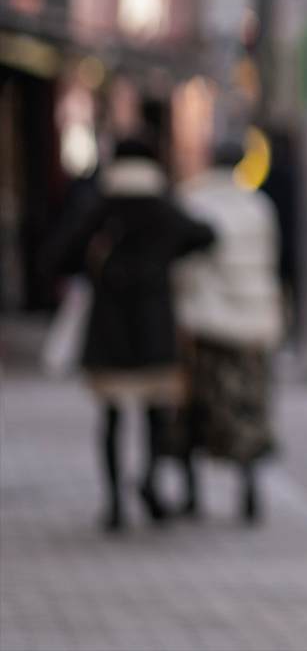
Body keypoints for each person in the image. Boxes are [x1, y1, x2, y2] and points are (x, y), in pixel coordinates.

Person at [42, 139, 215, 530]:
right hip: (155, 325)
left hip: (109, 328)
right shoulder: (164, 209)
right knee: (156, 415)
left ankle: (114, 502)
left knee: (112, 417)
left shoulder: (99, 209)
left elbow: (55, 257)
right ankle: (151, 486)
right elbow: (206, 235)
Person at [175, 140, 285, 523]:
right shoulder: (258, 206)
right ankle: (249, 487)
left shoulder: (195, 201)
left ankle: (192, 493)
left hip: (207, 319)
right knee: (247, 408)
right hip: (253, 321)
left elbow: (185, 268)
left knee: (197, 410)